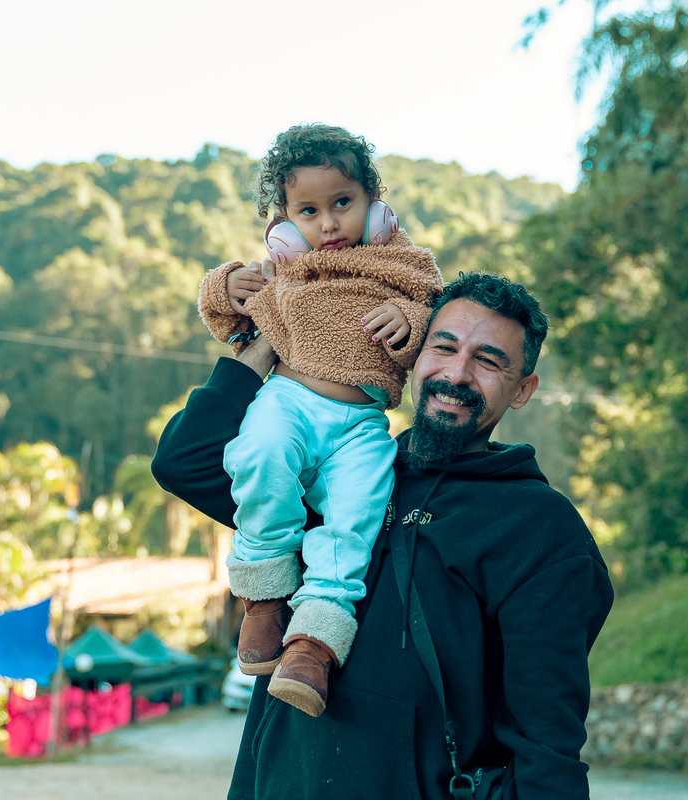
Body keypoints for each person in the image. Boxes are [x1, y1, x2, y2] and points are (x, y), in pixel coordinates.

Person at [153, 272, 614, 799]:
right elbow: (184, 462)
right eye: (444, 347)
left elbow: (547, 745)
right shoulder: (342, 477)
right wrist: (281, 337)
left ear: (523, 390)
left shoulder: (540, 528)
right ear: (413, 354)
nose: (457, 374)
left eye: (488, 361)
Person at [195, 123, 444, 716]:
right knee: (259, 456)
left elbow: (432, 306)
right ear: (284, 221)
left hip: (362, 423)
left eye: (343, 203)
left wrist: (408, 319)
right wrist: (225, 284)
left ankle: (314, 641)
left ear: (373, 203)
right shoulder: (285, 268)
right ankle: (264, 596)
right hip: (289, 400)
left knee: (359, 512)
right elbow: (226, 316)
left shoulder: (399, 260)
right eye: (309, 211)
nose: (329, 224)